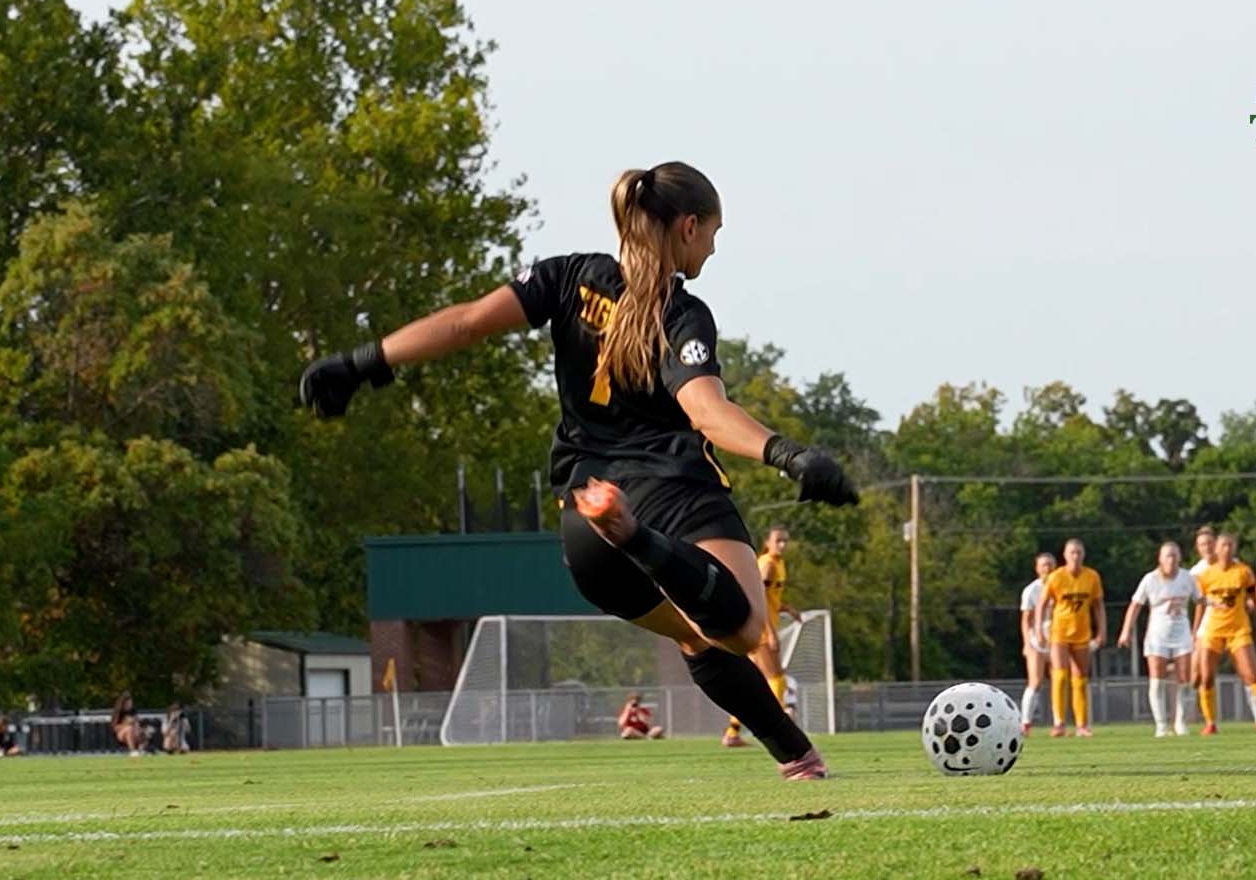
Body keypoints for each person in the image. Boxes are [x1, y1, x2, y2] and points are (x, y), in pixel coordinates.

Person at [299, 162, 858, 781]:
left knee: (695, 637)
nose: (713, 248)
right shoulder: (681, 314)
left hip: (584, 517)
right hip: (674, 493)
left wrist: (362, 361)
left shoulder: (565, 276)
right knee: (746, 629)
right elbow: (707, 412)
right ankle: (638, 537)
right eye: (713, 233)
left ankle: (799, 757)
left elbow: (465, 321)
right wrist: (789, 454)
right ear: (688, 227)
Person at [1193, 532, 1256, 734]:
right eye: (1223, 545)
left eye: (1231, 545)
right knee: (1206, 677)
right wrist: (1198, 626)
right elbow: (1198, 600)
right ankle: (1210, 723)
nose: (1227, 549)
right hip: (1213, 630)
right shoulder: (1206, 575)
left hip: (1238, 630)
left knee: (1251, 674)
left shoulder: (1243, 572)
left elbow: (1254, 596)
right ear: (1216, 549)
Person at [1118, 542, 1200, 737]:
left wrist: (1198, 626)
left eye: (1174, 555)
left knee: (1185, 678)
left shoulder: (1187, 578)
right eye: (1167, 556)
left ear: (1179, 558)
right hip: (1157, 635)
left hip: (1181, 633)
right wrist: (1126, 631)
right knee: (1157, 680)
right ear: (1160, 559)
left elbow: (1200, 600)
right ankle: (1161, 725)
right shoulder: (1150, 579)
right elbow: (1135, 605)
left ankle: (1180, 723)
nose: (1171, 560)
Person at [722, 525, 791, 748]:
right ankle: (781, 730)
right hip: (761, 628)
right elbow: (757, 596)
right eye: (778, 540)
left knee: (752, 684)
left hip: (761, 626)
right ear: (768, 542)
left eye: (785, 541)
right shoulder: (768, 564)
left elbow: (770, 598)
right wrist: (770, 633)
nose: (782, 545)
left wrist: (787, 609)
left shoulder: (778, 563)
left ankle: (732, 732)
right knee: (777, 678)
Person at [1037, 538, 1105, 738]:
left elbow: (1098, 605)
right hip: (1060, 632)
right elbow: (1042, 604)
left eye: (1079, 552)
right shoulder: (1056, 577)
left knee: (1080, 678)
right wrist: (1039, 630)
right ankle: (1059, 723)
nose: (1075, 556)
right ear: (1065, 555)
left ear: (1083, 555)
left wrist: (1102, 630)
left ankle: (1082, 724)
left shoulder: (1092, 576)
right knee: (1059, 675)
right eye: (1072, 552)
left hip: (1082, 633)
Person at [1017, 552, 1057, 733]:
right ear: (1037, 568)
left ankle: (1058, 722)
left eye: (1050, 564)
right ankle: (1025, 722)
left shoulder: (1060, 585)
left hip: (1057, 637)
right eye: (1043, 565)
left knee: (1059, 680)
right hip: (1037, 639)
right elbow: (1026, 619)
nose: (1047, 568)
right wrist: (1027, 643)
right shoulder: (1031, 590)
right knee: (1035, 680)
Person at [111, 692, 148, 756]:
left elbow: (137, 721)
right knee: (129, 729)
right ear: (123, 704)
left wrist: (140, 728)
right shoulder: (118, 711)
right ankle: (132, 751)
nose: (129, 705)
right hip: (121, 734)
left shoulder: (133, 710)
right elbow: (114, 728)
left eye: (131, 703)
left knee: (146, 731)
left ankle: (141, 750)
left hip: (135, 730)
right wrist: (126, 724)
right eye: (127, 703)